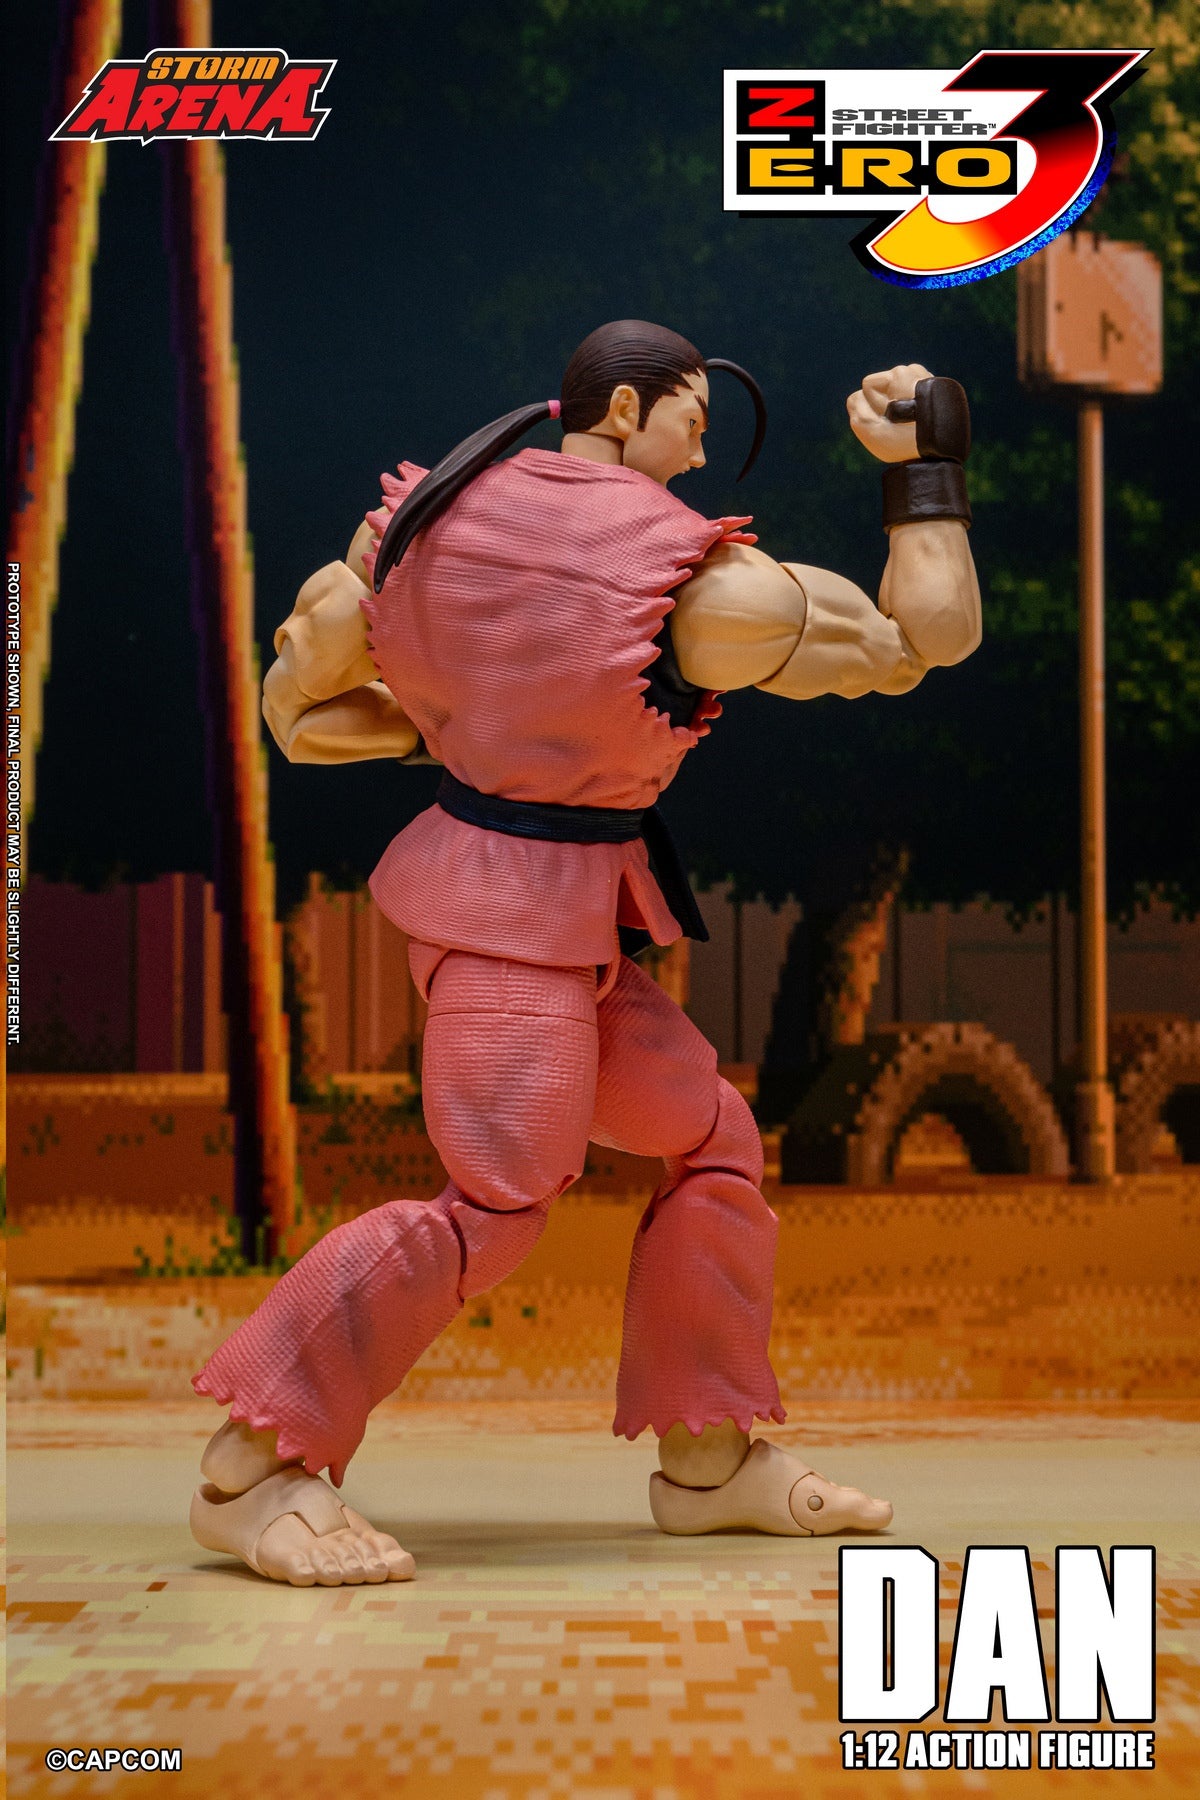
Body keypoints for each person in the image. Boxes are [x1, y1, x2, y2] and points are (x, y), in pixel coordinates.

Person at [190, 320, 981, 1587]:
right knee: (497, 1207)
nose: (702, 450)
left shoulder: (415, 524)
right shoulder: (716, 594)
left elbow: (301, 713)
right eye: (692, 420)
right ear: (623, 410)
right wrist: (924, 466)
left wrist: (470, 728)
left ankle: (709, 1460)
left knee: (708, 1134)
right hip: (513, 943)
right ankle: (251, 1468)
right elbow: (917, 642)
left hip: (549, 922)